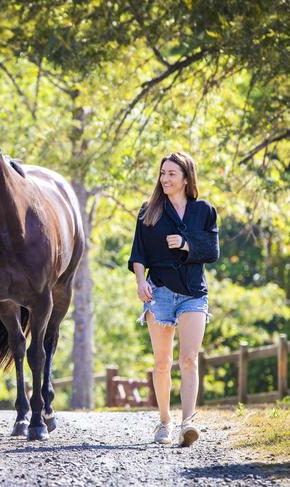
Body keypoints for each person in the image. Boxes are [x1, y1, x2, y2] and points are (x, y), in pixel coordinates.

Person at [128, 152, 219, 447]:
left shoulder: (204, 210)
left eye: (171, 173)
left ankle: (187, 424)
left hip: (193, 292)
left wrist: (185, 244)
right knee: (162, 362)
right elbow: (138, 254)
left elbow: (212, 250)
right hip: (160, 292)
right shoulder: (149, 211)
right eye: (162, 173)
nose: (165, 179)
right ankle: (164, 422)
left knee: (189, 359)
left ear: (186, 177)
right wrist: (141, 281)